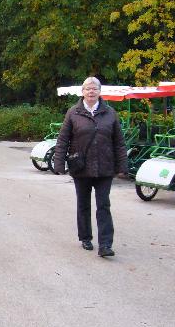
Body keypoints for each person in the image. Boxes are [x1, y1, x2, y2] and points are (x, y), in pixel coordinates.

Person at [51, 77, 128, 257]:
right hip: (81, 167)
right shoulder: (73, 112)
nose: (91, 91)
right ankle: (85, 237)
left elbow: (119, 142)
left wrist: (122, 166)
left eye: (94, 88)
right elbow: (63, 140)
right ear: (82, 92)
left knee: (103, 205)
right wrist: (59, 164)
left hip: (105, 167)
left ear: (100, 91)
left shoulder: (110, 113)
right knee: (83, 204)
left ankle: (105, 245)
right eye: (88, 88)